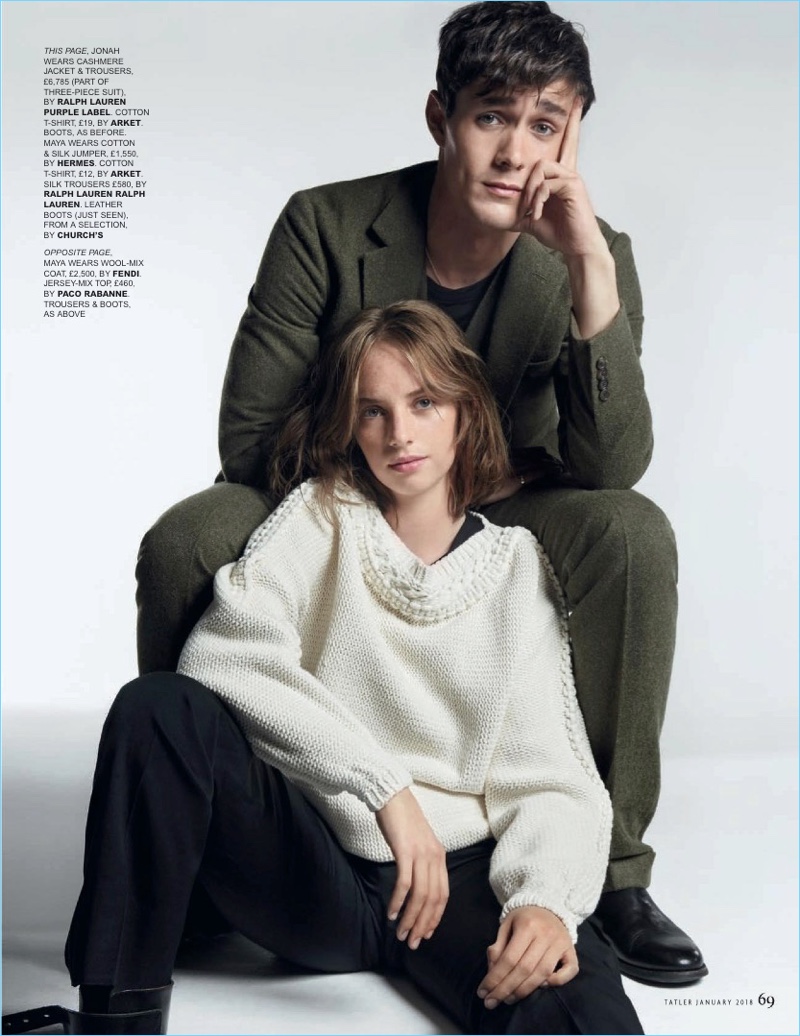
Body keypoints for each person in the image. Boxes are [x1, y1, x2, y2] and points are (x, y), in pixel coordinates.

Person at [135, 1, 706, 984]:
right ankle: (196, 847)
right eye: (492, 116)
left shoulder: (588, 252)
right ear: (440, 116)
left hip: (500, 516)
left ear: (571, 134)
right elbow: (246, 440)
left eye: (544, 124)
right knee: (190, 535)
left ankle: (606, 874)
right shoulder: (326, 224)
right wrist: (390, 460)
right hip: (339, 492)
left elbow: (607, 466)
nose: (513, 151)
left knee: (629, 531)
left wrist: (585, 269)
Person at [3, 301, 643, 1036]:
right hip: (315, 867)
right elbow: (224, 655)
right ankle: (115, 1017)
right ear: (351, 427)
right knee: (159, 708)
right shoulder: (322, 514)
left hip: (455, 881)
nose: (399, 433)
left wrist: (544, 900)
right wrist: (384, 788)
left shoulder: (513, 569)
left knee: (566, 988)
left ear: (464, 412)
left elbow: (552, 776)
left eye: (423, 403)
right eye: (373, 412)